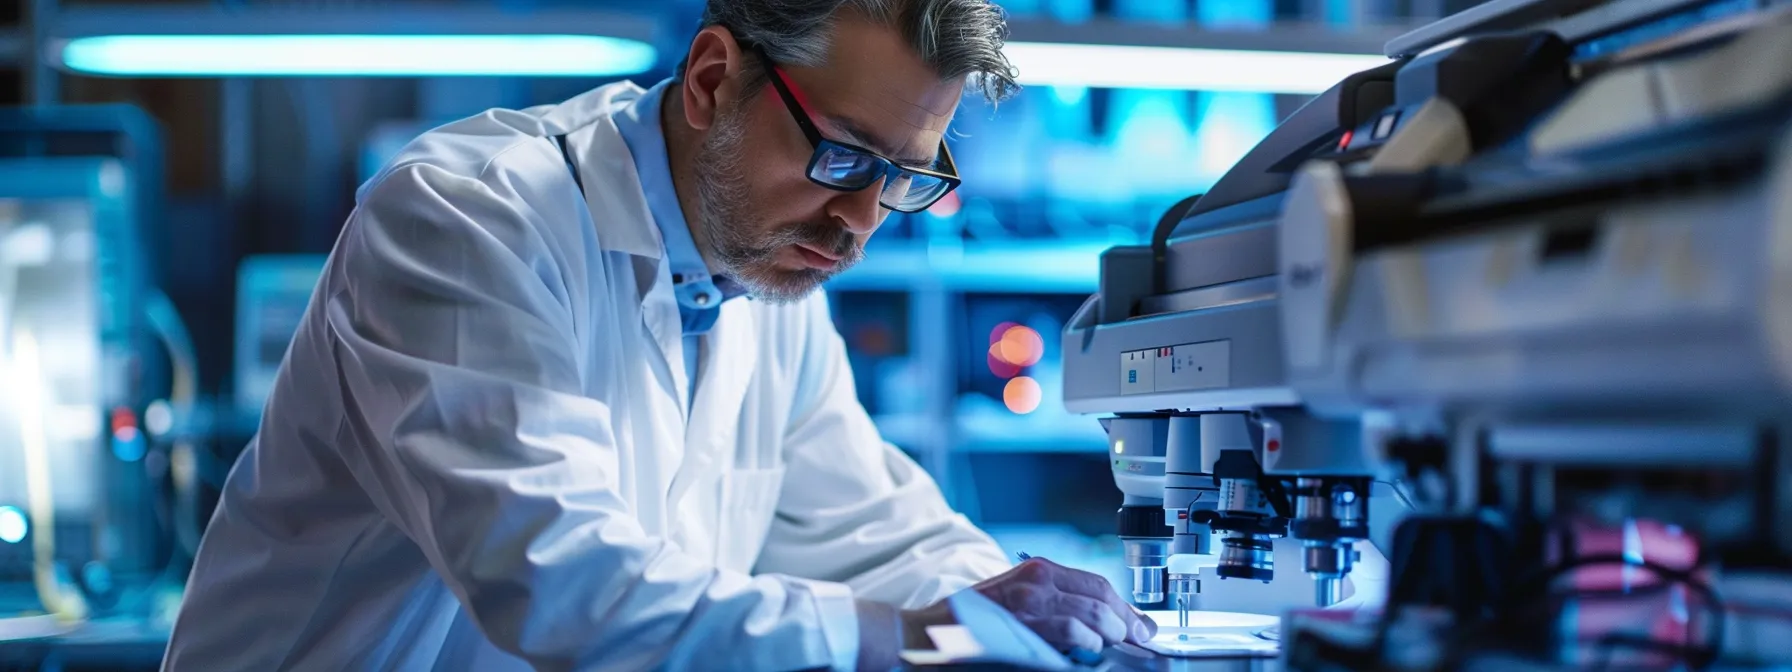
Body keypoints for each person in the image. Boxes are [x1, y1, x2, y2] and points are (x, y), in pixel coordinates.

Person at [162, 1, 1157, 669]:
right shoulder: (468, 224)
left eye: (906, 176)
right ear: (714, 79)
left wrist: (1020, 609)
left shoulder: (769, 282)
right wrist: (919, 636)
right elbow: (559, 579)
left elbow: (867, 531)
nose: (860, 224)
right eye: (846, 157)